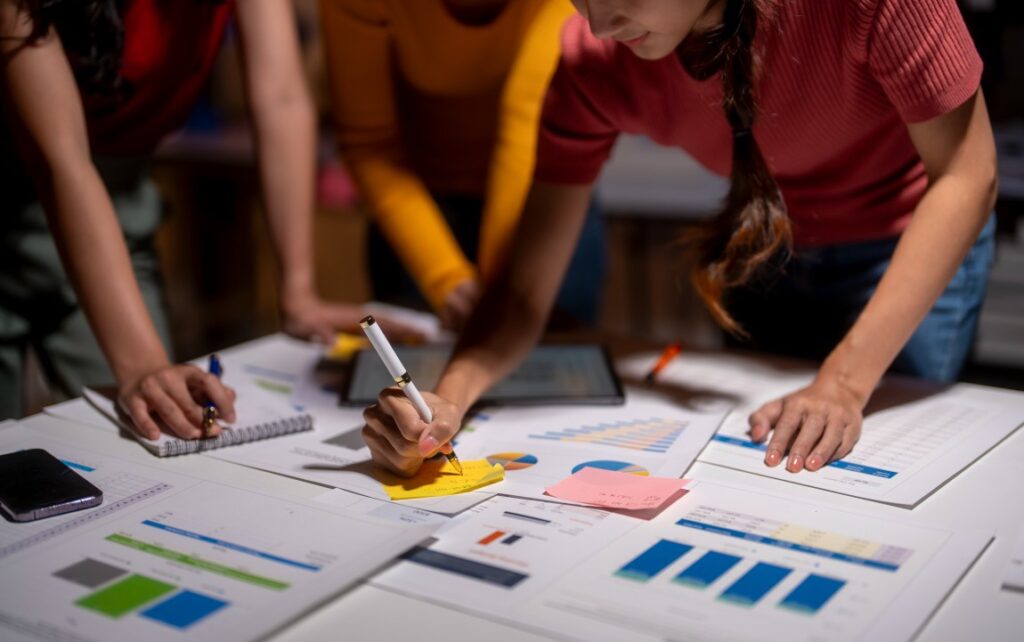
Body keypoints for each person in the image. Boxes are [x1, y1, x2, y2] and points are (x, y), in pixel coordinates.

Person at [361, 0, 997, 477]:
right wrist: (452, 395)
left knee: (884, 470)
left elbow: (968, 176)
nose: (599, 22)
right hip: (763, 244)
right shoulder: (593, 60)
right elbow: (526, 296)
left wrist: (846, 383)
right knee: (775, 472)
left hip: (906, 244)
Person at [0, 0, 416, 436]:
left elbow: (282, 97)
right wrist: (142, 364)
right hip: (41, 194)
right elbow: (62, 161)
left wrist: (298, 291)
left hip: (117, 217)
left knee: (153, 432)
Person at [319, 0, 606, 331]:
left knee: (561, 369)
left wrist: (500, 295)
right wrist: (445, 277)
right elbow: (370, 142)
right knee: (414, 377)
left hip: (544, 198)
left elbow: (526, 118)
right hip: (416, 212)